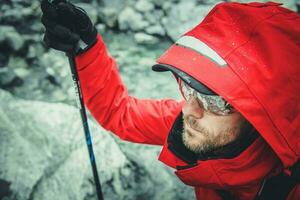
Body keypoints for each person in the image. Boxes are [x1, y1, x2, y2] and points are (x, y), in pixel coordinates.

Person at [40, 0, 300, 199]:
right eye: (189, 88)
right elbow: (120, 114)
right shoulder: (188, 124)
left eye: (216, 101)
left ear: (263, 115)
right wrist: (88, 47)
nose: (190, 109)